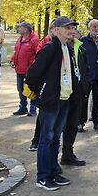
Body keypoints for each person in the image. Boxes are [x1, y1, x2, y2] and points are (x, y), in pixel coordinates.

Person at [25, 16, 83, 190]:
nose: (71, 31)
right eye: (67, 28)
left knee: (55, 138)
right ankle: (42, 176)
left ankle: (53, 172)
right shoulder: (50, 49)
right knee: (46, 139)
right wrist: (41, 94)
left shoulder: (68, 48)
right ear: (56, 29)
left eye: (72, 28)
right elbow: (33, 75)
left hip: (64, 100)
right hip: (51, 102)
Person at [60, 29, 91, 167]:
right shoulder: (57, 48)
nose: (72, 33)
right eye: (69, 30)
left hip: (77, 92)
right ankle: (51, 164)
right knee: (58, 127)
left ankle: (68, 155)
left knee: (72, 125)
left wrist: (86, 85)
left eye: (74, 31)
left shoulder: (80, 47)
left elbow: (85, 68)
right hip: (62, 93)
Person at [29, 21, 56, 151]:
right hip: (45, 87)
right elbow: (37, 67)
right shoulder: (44, 44)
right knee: (43, 117)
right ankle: (36, 140)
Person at [80, 19, 98, 132]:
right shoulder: (83, 41)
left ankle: (97, 122)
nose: (97, 29)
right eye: (94, 26)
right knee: (84, 100)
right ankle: (80, 123)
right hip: (86, 76)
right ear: (89, 28)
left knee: (97, 100)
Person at [11, 22, 40, 116]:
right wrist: (12, 60)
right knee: (20, 89)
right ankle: (23, 107)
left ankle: (32, 109)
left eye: (20, 27)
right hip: (19, 69)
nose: (18, 29)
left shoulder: (34, 39)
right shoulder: (20, 39)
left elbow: (38, 53)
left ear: (27, 29)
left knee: (31, 89)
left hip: (30, 69)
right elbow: (17, 51)